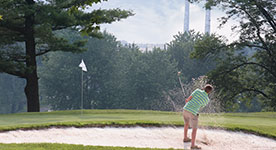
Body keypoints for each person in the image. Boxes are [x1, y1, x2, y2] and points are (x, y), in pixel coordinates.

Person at [183, 84, 213, 150]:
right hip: (193, 112)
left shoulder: (197, 91)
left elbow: (189, 98)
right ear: (209, 92)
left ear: (204, 88)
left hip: (185, 109)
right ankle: (193, 145)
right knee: (194, 129)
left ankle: (185, 138)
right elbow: (200, 106)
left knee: (186, 124)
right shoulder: (207, 100)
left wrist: (187, 100)